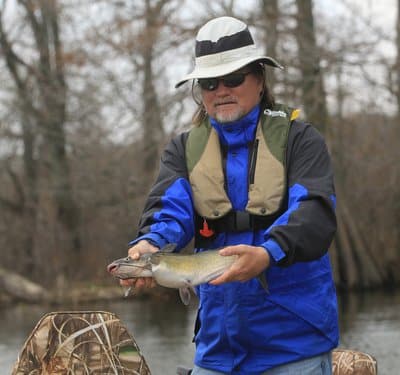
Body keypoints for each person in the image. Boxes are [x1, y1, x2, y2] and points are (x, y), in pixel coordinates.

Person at [121, 16, 338, 375]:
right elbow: (168, 211)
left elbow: (314, 212)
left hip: (294, 346)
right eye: (208, 82)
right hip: (218, 352)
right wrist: (149, 243)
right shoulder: (182, 150)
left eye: (233, 78)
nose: (221, 89)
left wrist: (268, 253)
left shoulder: (301, 140)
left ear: (259, 78)